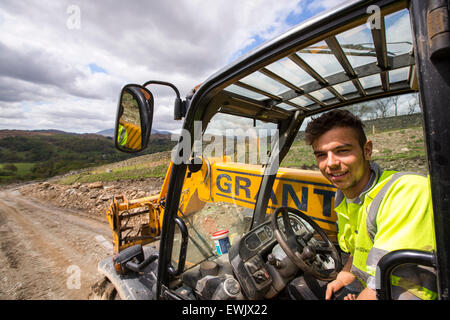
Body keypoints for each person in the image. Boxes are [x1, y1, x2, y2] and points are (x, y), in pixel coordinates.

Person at [302, 109, 436, 300]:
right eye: (321, 155)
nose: (330, 163)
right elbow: (359, 249)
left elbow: (384, 283)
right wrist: (345, 275)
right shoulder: (345, 198)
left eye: (342, 151)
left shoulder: (406, 191)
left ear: (367, 150)